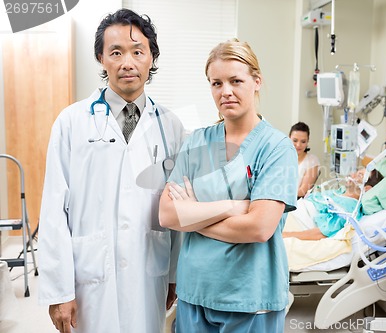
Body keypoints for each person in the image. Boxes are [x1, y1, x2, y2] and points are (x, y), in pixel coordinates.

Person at [37, 9, 185, 333]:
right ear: (101, 58)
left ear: (151, 58)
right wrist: (59, 289)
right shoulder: (71, 122)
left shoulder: (170, 127)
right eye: (116, 52)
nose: (127, 62)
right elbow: (52, 210)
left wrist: (175, 274)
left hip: (151, 273)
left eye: (137, 51)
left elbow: (177, 208)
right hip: (89, 279)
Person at [158, 39, 298, 332]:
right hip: (195, 293)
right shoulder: (196, 141)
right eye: (216, 83)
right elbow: (168, 215)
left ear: (256, 81)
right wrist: (232, 207)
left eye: (236, 81)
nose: (226, 92)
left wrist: (194, 215)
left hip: (249, 298)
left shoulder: (276, 147)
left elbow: (259, 228)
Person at [283, 168, 384, 240]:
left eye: (359, 175)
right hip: (291, 209)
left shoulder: (350, 208)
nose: (352, 175)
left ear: (366, 188)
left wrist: (287, 235)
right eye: (357, 172)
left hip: (297, 220)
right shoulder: (339, 192)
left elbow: (322, 233)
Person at [289, 122, 320, 198]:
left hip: (297, 204)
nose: (298, 145)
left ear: (307, 142)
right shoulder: (280, 157)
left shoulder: (312, 161)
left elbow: (302, 191)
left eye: (303, 141)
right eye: (295, 140)